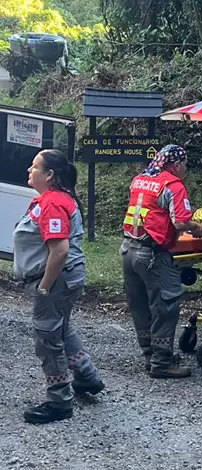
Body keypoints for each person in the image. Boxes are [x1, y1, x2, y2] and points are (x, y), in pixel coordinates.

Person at [13, 149, 104, 424]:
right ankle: (88, 378)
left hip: (57, 279)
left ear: (50, 175)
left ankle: (59, 401)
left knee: (47, 338)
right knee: (61, 329)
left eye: (35, 166)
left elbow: (60, 250)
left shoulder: (53, 202)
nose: (30, 170)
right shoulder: (54, 199)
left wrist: (44, 286)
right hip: (66, 277)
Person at [121, 144, 202, 378]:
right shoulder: (173, 185)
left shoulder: (139, 179)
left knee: (140, 304)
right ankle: (161, 362)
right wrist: (197, 228)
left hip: (128, 248)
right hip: (153, 254)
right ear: (176, 164)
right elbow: (180, 222)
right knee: (165, 306)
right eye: (185, 165)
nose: (185, 169)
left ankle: (150, 355)